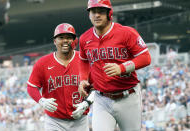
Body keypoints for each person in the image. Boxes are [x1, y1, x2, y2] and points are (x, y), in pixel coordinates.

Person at [78, 0, 151, 131]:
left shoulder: (126, 32)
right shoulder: (84, 38)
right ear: (89, 14)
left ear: (109, 13)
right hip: (101, 99)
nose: (97, 15)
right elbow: (83, 60)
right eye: (93, 12)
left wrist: (122, 68)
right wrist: (83, 79)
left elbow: (145, 57)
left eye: (101, 11)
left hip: (128, 97)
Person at [27, 23, 90, 131]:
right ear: (54, 41)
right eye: (61, 37)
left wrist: (86, 103)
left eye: (69, 37)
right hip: (54, 121)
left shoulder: (84, 59)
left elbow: (96, 87)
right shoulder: (43, 63)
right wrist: (41, 101)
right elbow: (31, 87)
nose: (65, 41)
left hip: (80, 119)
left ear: (75, 41)